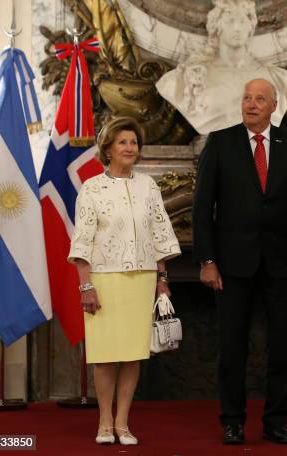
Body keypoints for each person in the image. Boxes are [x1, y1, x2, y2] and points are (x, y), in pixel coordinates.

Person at [192, 78, 287, 445]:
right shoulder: (220, 143)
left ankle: (276, 421)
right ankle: (232, 421)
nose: (251, 104)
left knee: (283, 346)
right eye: (247, 98)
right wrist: (207, 260)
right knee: (232, 346)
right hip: (232, 264)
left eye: (259, 99)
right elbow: (202, 209)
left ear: (273, 105)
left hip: (283, 263)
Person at [68, 117, 181, 446]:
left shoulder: (149, 186)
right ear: (108, 149)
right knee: (105, 355)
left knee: (132, 354)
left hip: (142, 279)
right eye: (123, 142)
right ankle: (103, 422)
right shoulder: (92, 188)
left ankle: (123, 423)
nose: (130, 147)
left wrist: (162, 279)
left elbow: (160, 235)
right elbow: (83, 241)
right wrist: (85, 285)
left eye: (133, 143)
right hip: (104, 280)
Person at [155, 0, 287, 135]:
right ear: (217, 27)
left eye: (242, 21)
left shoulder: (280, 80)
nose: (237, 28)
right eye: (230, 21)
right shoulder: (188, 78)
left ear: (251, 27)